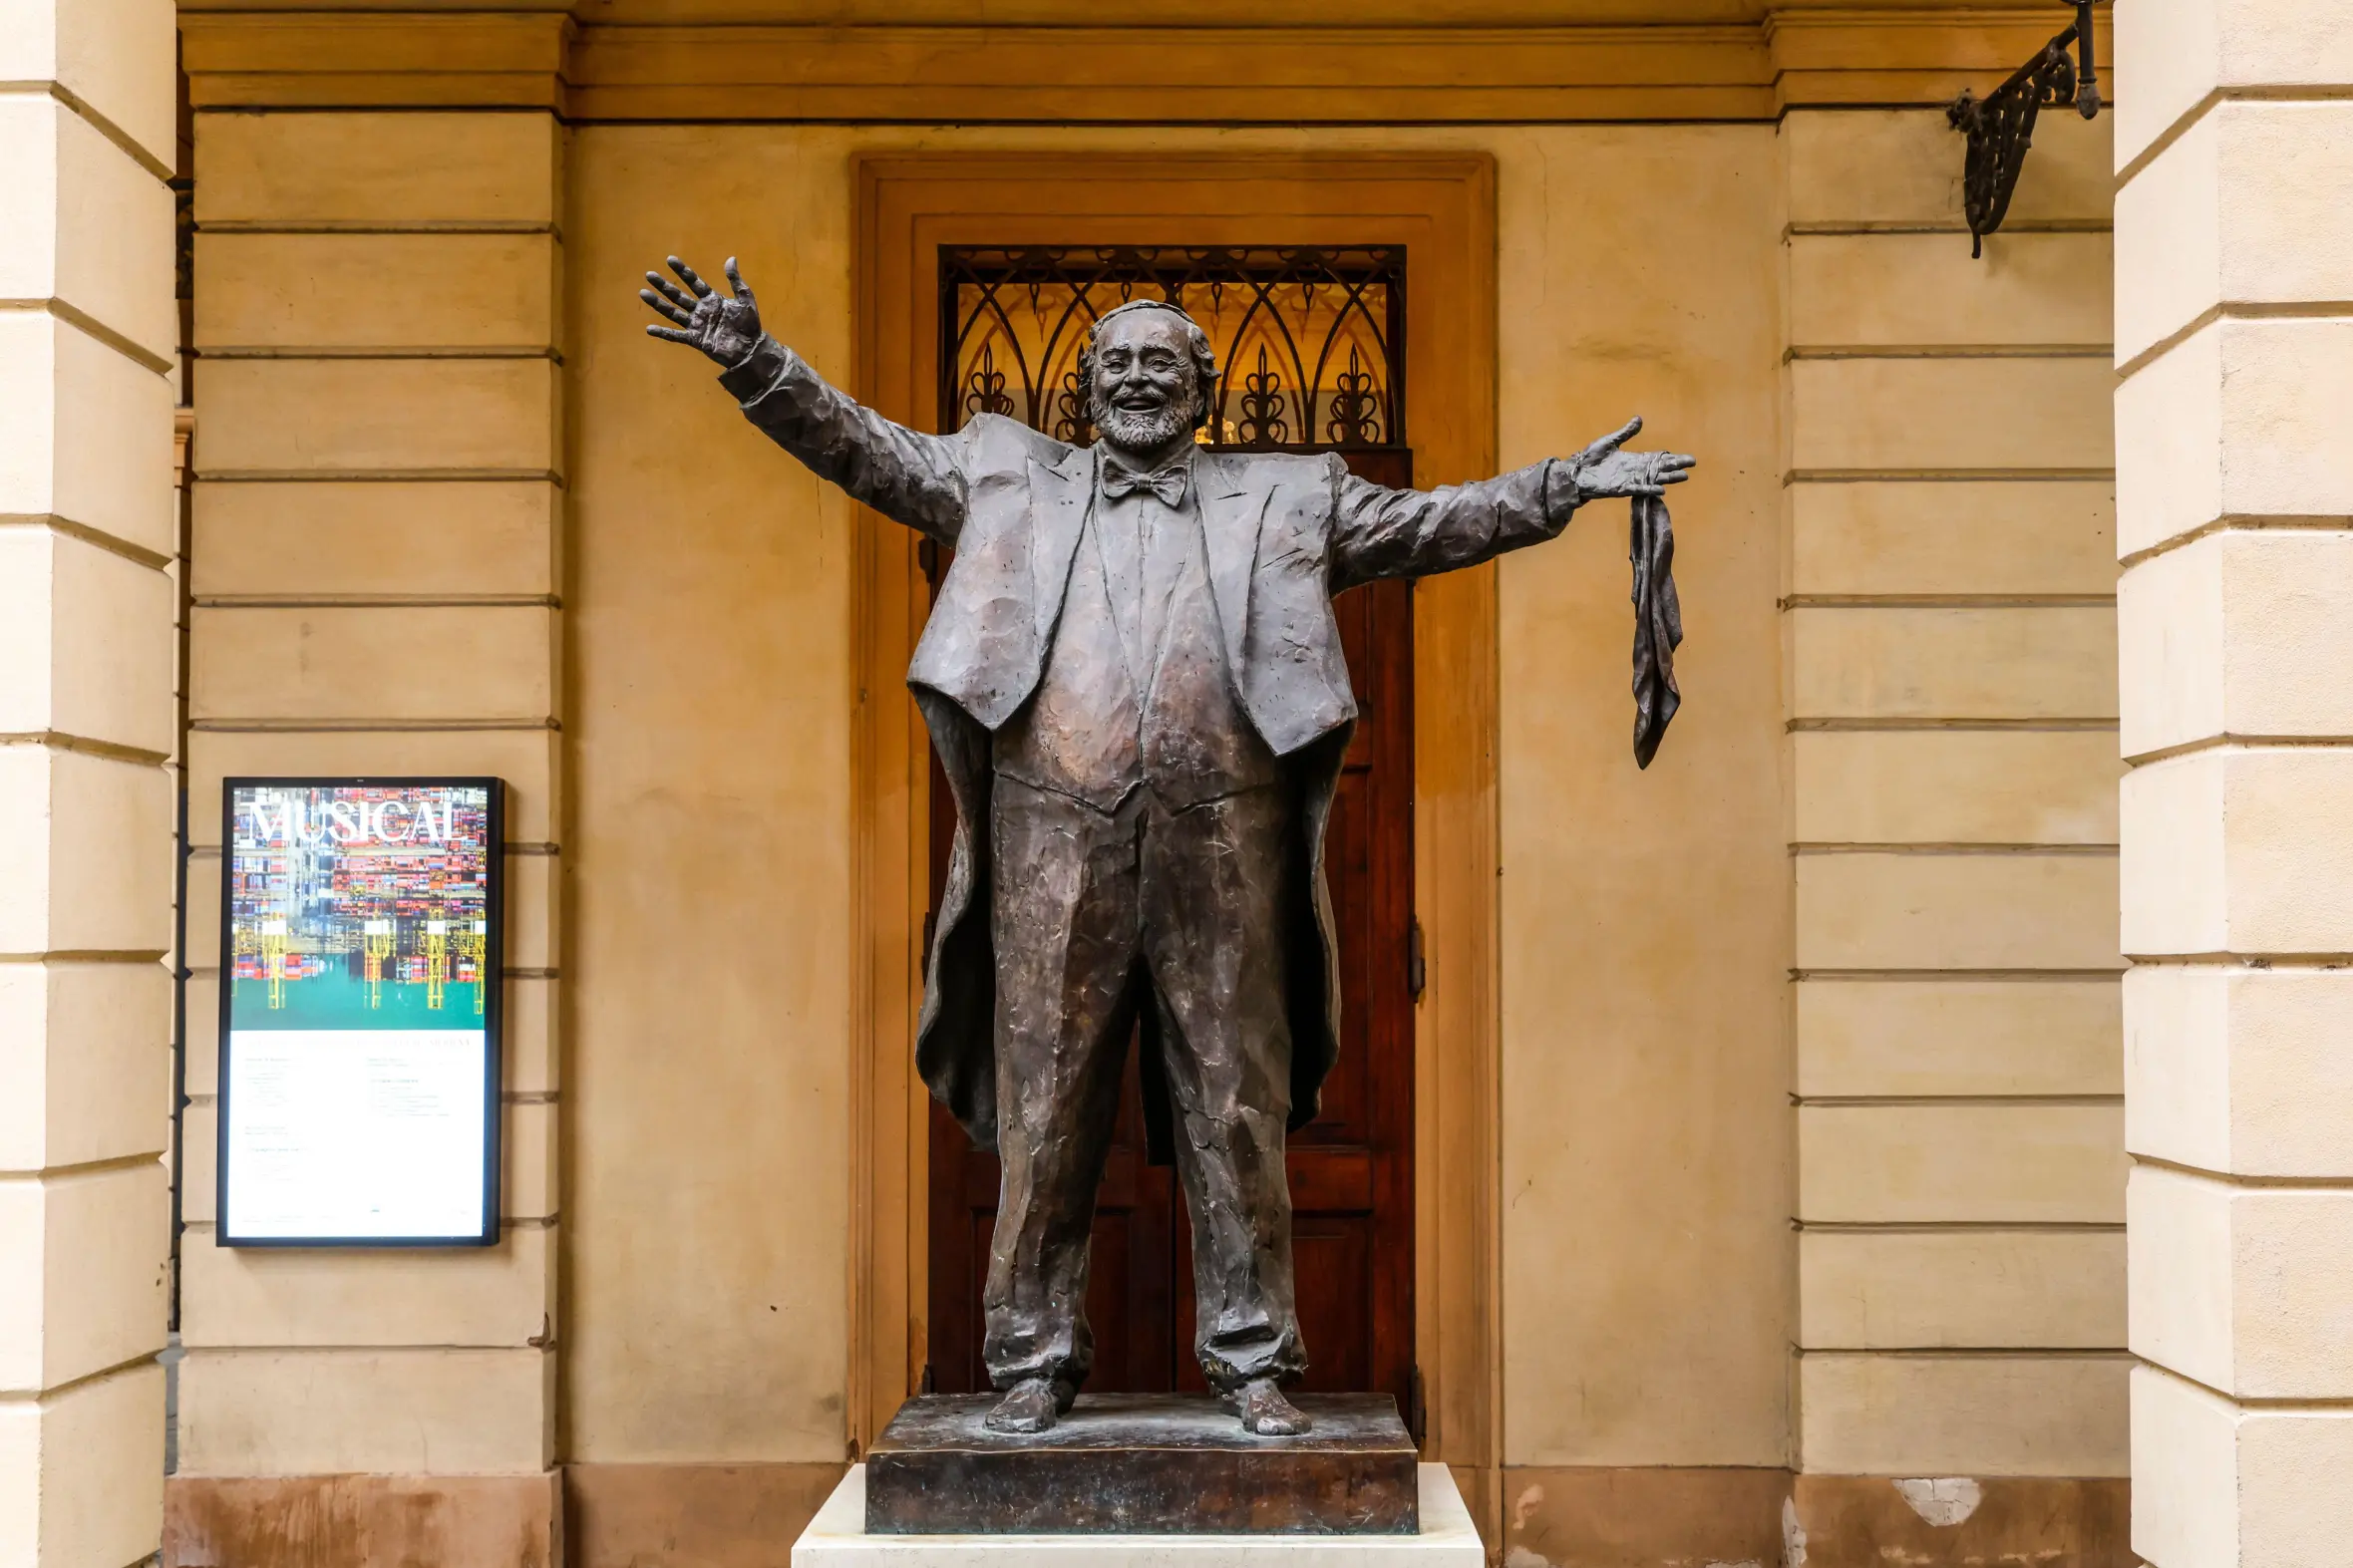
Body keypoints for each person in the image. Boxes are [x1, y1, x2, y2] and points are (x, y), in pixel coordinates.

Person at [642, 256, 1693, 1434]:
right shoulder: (999, 474)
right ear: (1085, 385)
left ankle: (1251, 1360)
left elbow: (1430, 523)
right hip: (1052, 842)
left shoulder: (1291, 495)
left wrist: (1564, 485)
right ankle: (1032, 1358)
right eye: (1118, 363)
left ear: (1203, 390)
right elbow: (863, 448)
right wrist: (755, 361)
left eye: (1162, 364)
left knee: (1233, 1103)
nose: (1138, 379)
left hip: (1222, 844)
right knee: (1046, 1109)